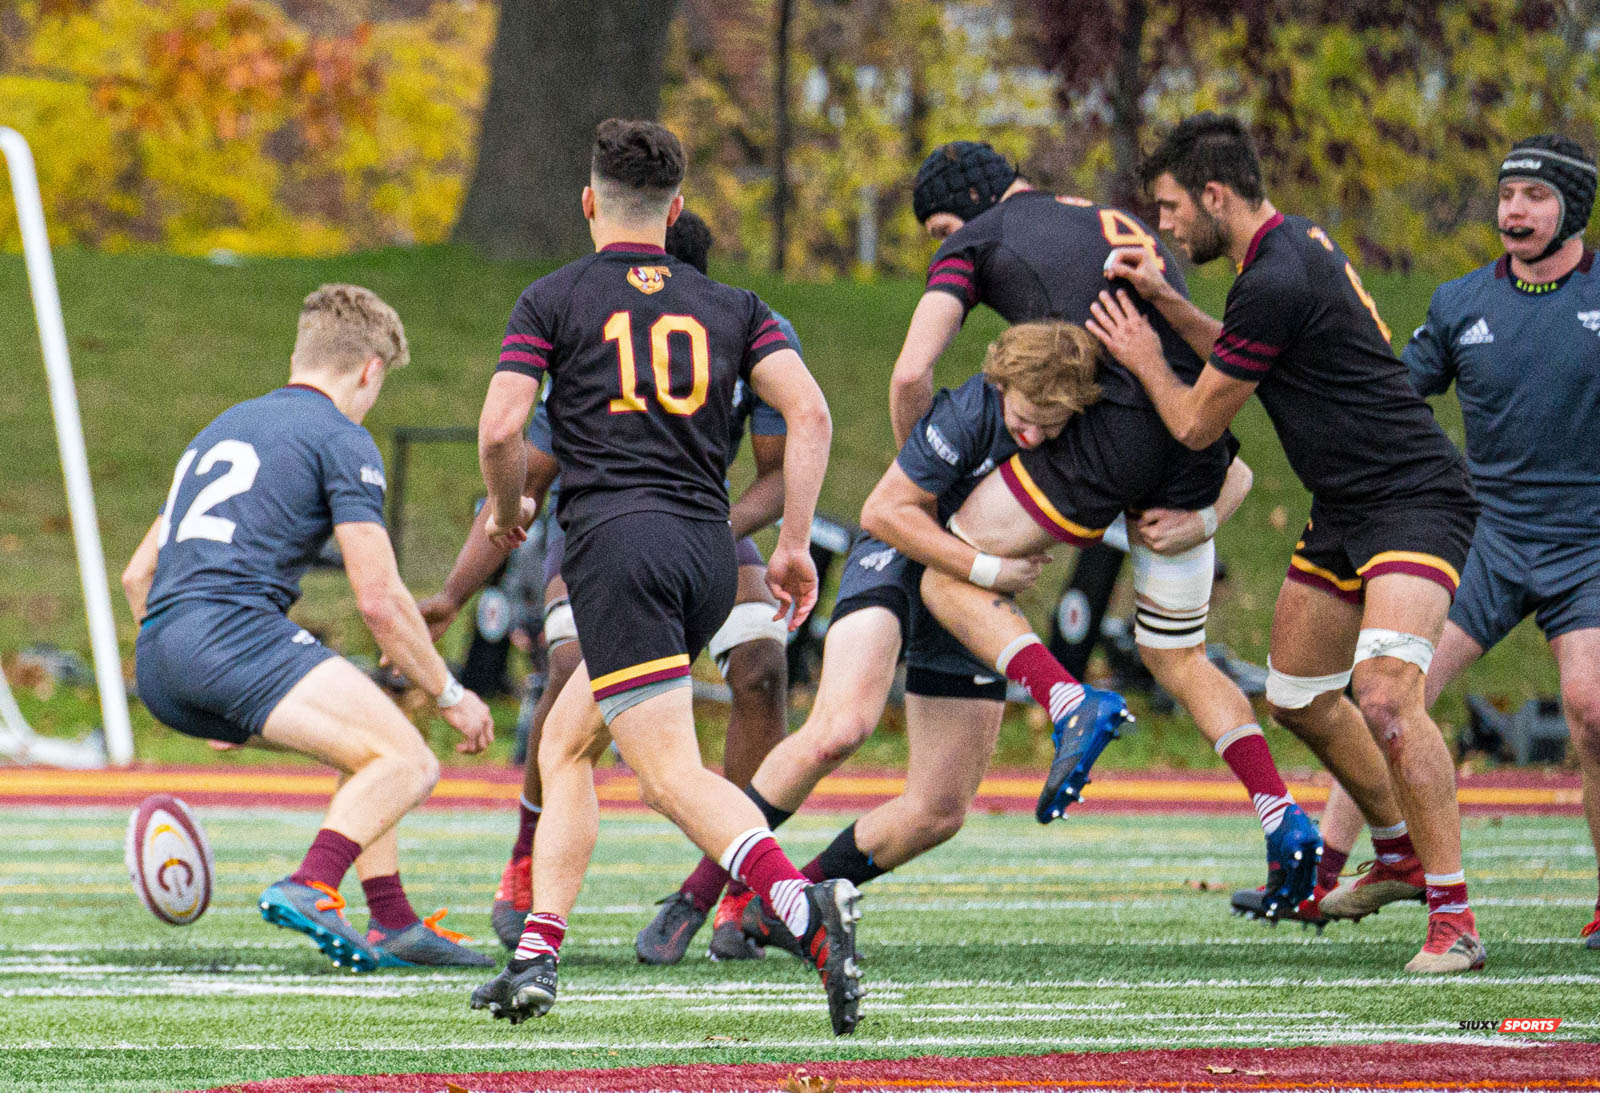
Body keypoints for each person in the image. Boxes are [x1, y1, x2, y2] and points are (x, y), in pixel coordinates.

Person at [466, 119, 861, 1035]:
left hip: (619, 552)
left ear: (588, 202)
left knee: (670, 777)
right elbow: (810, 414)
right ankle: (536, 956)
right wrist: (794, 543)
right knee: (567, 744)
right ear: (676, 209)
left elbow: (500, 429)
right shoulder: (738, 305)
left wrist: (506, 509)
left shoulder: (554, 297)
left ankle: (803, 906)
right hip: (707, 554)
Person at [1091, 111, 1484, 973]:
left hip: (1412, 498)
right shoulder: (1285, 249)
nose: (1166, 227)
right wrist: (1167, 303)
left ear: (1214, 195)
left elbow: (1196, 423)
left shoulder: (1273, 275)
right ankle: (1399, 854)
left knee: (1385, 695)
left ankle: (1454, 918)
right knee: (1299, 695)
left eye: (1170, 207)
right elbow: (1246, 353)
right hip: (1346, 505)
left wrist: (1142, 351)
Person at [896, 141, 1322, 916]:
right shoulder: (1111, 219)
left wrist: (923, 480)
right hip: (1194, 434)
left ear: (967, 206)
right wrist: (1209, 508)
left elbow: (910, 371)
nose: (943, 244)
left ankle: (1067, 700)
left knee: (945, 571)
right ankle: (1282, 816)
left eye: (940, 230)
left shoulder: (980, 236)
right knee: (1177, 654)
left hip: (1121, 430)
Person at [656, 321, 1114, 958]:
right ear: (1001, 384)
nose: (1034, 436)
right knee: (839, 728)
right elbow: (882, 512)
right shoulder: (968, 413)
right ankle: (697, 894)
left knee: (939, 810)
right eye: (1025, 419)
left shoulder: (1081, 435)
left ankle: (781, 909)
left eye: (1051, 426)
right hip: (899, 559)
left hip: (966, 597)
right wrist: (986, 568)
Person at [417, 211, 796, 961]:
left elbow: (786, 460)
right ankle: (527, 855)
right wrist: (454, 594)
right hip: (602, 528)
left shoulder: (743, 328)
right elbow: (524, 472)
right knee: (570, 671)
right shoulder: (594, 334)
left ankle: (735, 885)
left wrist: (724, 531)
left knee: (761, 664)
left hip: (700, 521)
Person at [121, 285, 496, 972]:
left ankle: (393, 920)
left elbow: (136, 575)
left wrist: (202, 682)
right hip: (230, 638)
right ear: (370, 370)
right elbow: (379, 600)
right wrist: (451, 692)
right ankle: (312, 882)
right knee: (411, 761)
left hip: (161, 661)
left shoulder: (222, 428)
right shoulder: (339, 437)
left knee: (367, 744)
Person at [1403, 135, 1600, 948]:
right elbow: (1392, 402)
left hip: (1588, 545)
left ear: (1573, 208)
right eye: (1507, 194)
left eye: (1535, 196)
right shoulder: (1459, 302)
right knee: (1394, 692)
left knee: (1592, 708)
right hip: (1488, 538)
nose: (1514, 211)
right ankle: (1342, 865)